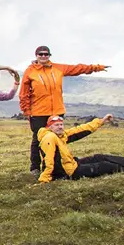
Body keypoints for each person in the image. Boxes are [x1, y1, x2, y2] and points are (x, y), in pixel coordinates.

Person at [20, 45, 108, 174]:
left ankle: (54, 165)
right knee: (38, 139)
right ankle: (35, 167)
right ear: (36, 56)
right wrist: (27, 111)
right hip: (38, 112)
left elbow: (76, 69)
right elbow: (24, 93)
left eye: (46, 54)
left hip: (57, 110)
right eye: (41, 54)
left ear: (49, 56)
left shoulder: (57, 68)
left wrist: (95, 68)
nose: (43, 56)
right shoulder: (30, 71)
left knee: (58, 137)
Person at [37, 114, 124, 183]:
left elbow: (80, 129)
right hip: (68, 173)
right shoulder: (50, 138)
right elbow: (48, 161)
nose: (60, 127)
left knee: (99, 157)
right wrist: (44, 179)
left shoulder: (61, 136)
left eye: (61, 124)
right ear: (50, 127)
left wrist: (101, 121)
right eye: (56, 125)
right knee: (105, 166)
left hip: (72, 164)